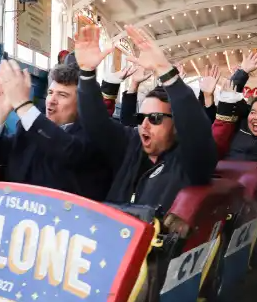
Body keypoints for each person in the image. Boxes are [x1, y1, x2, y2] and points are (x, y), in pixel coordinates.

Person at [74, 25, 217, 214]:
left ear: (176, 125)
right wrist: (86, 74)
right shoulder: (130, 145)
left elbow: (196, 130)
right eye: (141, 118)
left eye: (155, 118)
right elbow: (96, 124)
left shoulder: (190, 161)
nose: (144, 125)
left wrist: (165, 71)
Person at [0, 60, 112, 201]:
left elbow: (67, 149)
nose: (51, 100)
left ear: (82, 104)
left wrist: (22, 104)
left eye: (62, 95)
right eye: (50, 92)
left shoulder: (94, 137)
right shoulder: (27, 130)